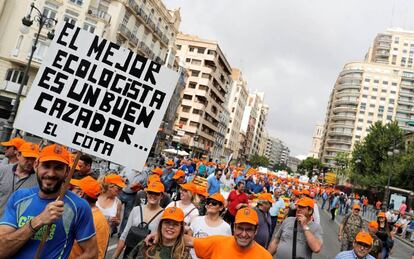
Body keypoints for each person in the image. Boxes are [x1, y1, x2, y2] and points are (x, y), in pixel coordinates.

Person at [0, 144, 97, 258]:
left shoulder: (79, 206)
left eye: (58, 168)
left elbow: (91, 253)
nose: (51, 173)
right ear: (36, 166)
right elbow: (2, 250)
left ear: (67, 171)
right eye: (46, 166)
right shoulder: (19, 197)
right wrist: (38, 221)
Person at [184, 207, 272, 258]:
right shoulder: (217, 243)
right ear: (234, 227)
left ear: (256, 230)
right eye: (240, 228)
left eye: (249, 229)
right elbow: (190, 241)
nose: (244, 234)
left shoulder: (265, 256)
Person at [113, 181, 165, 259]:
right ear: (146, 194)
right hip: (130, 253)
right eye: (150, 192)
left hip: (149, 254)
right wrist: (115, 256)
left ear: (161, 196)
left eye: (157, 193)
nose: (153, 195)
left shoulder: (164, 214)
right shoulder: (136, 210)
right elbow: (124, 235)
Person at [69, 176, 110, 259]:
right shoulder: (75, 211)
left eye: (71, 189)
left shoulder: (99, 221)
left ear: (80, 193)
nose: (69, 192)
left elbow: (98, 255)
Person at [0, 142, 39, 217]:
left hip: (14, 226)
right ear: (18, 155)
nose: (30, 162)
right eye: (27, 158)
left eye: (33, 159)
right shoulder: (3, 170)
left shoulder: (38, 180)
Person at [190, 193, 231, 258]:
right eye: (208, 202)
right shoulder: (196, 220)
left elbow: (227, 249)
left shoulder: (226, 227)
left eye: (214, 203)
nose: (210, 204)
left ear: (221, 207)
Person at [118, 167, 147, 235]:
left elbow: (144, 185)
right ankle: (113, 229)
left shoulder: (144, 174)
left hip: (132, 195)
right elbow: (119, 177)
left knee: (126, 216)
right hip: (121, 193)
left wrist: (139, 186)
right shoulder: (127, 168)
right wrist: (123, 179)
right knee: (116, 212)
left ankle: (121, 232)